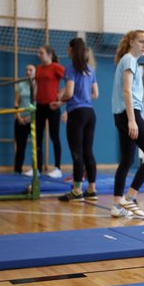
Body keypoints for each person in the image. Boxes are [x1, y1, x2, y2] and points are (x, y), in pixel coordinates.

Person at [110, 30, 144, 218]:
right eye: (141, 41)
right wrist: (132, 120)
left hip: (120, 116)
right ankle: (130, 198)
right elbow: (126, 91)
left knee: (126, 160)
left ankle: (117, 204)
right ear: (131, 42)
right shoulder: (130, 60)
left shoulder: (127, 60)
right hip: (129, 115)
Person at [57, 38, 98, 202]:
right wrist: (84, 95)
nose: (67, 51)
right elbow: (95, 94)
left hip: (77, 113)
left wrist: (59, 101)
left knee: (77, 152)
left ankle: (76, 190)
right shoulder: (90, 69)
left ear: (73, 50)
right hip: (90, 113)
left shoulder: (70, 69)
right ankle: (92, 189)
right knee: (88, 151)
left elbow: (69, 92)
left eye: (68, 48)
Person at [34, 45, 65, 178]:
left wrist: (61, 94)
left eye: (41, 53)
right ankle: (37, 168)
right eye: (39, 53)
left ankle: (57, 168)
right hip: (40, 106)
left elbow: (70, 80)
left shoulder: (56, 67)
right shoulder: (38, 69)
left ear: (49, 55)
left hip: (53, 106)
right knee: (38, 137)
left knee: (54, 136)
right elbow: (36, 85)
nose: (39, 55)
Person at [14, 64, 36, 176]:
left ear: (35, 72)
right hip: (20, 120)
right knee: (20, 146)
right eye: (26, 69)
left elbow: (39, 104)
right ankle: (17, 170)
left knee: (36, 146)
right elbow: (16, 102)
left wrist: (30, 117)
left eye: (30, 70)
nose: (28, 72)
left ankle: (36, 170)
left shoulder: (38, 85)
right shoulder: (21, 84)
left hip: (33, 119)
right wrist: (18, 117)